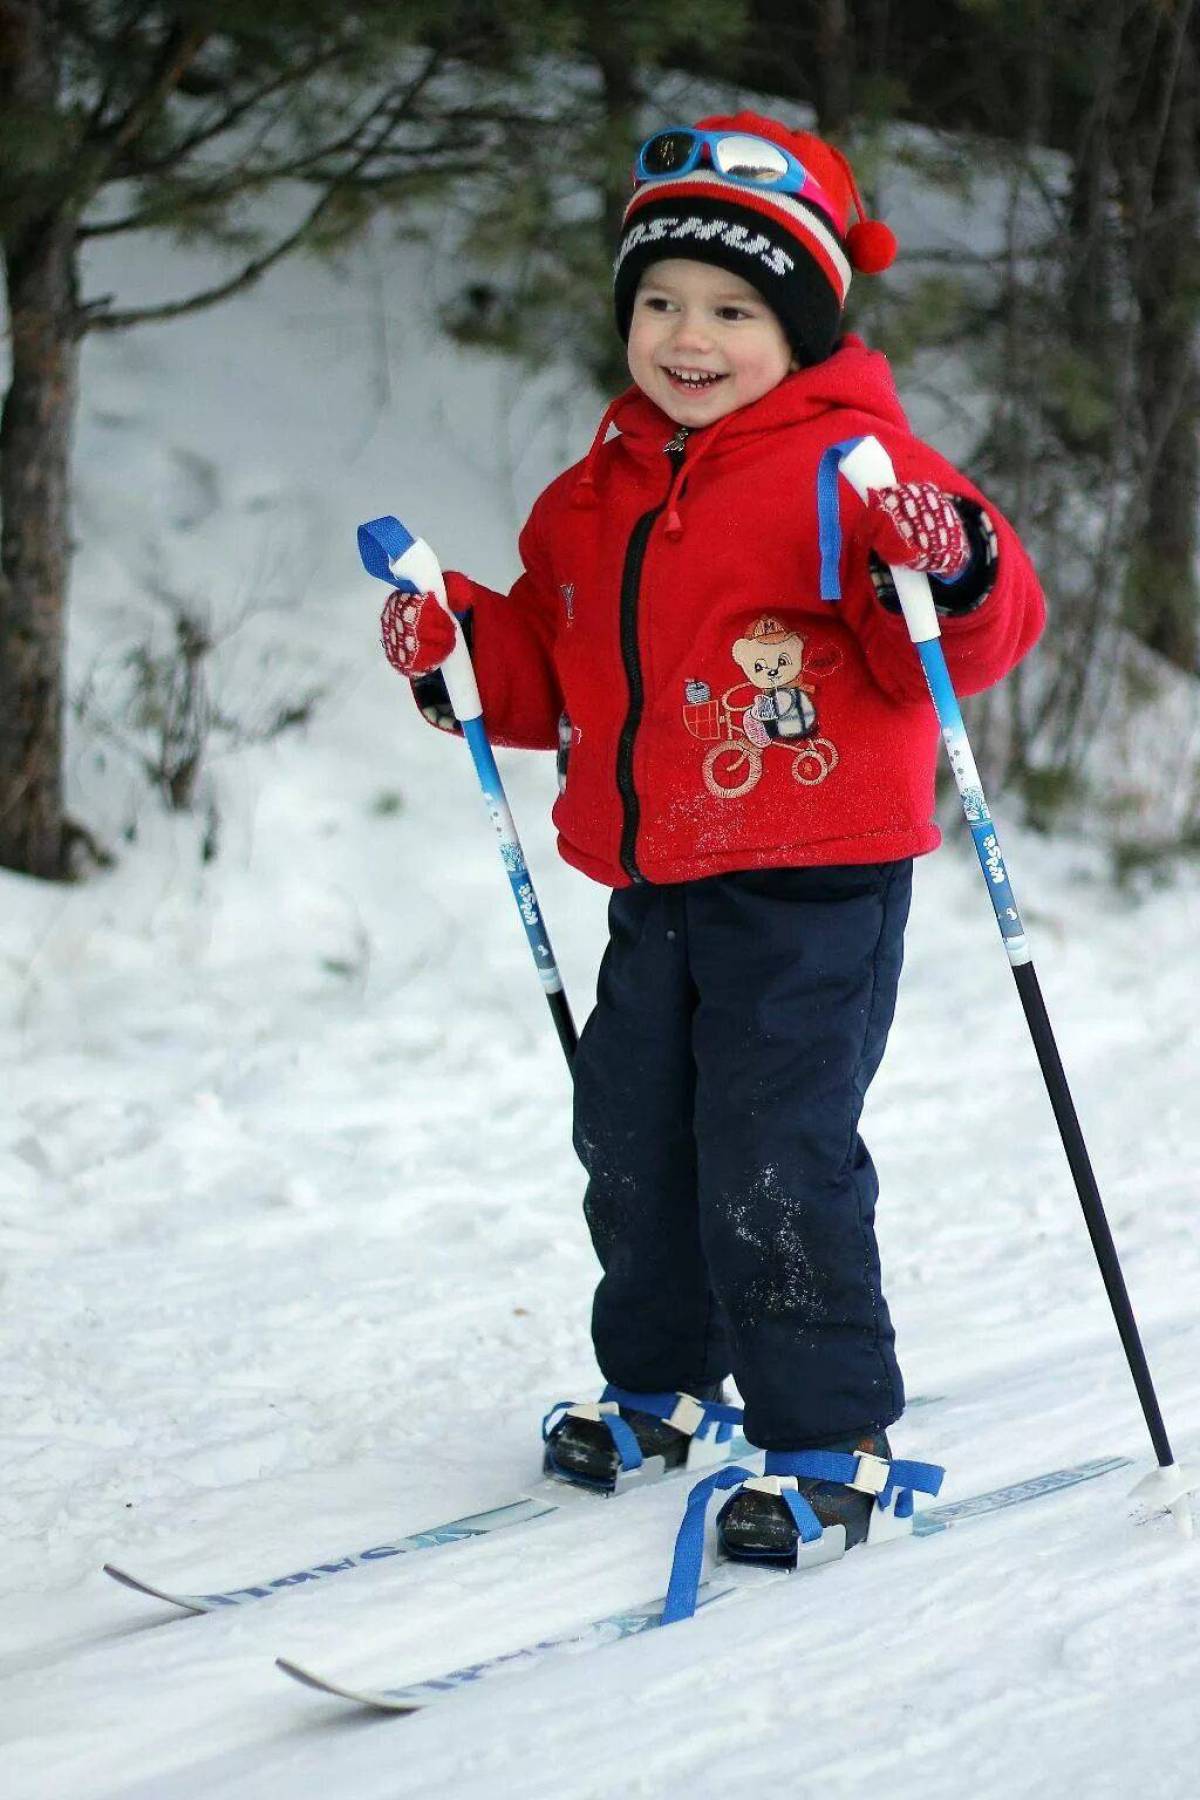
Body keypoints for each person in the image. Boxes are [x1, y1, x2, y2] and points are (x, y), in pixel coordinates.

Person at [381, 113, 1045, 1563]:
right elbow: (551, 682)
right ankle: (665, 1385)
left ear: (799, 327)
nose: (692, 335)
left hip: (815, 887)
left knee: (771, 1148)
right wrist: (459, 645)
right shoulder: (590, 496)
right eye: (663, 301)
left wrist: (954, 562)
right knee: (632, 1141)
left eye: (736, 309)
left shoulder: (856, 469)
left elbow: (973, 635)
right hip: (658, 884)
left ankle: (828, 1436)